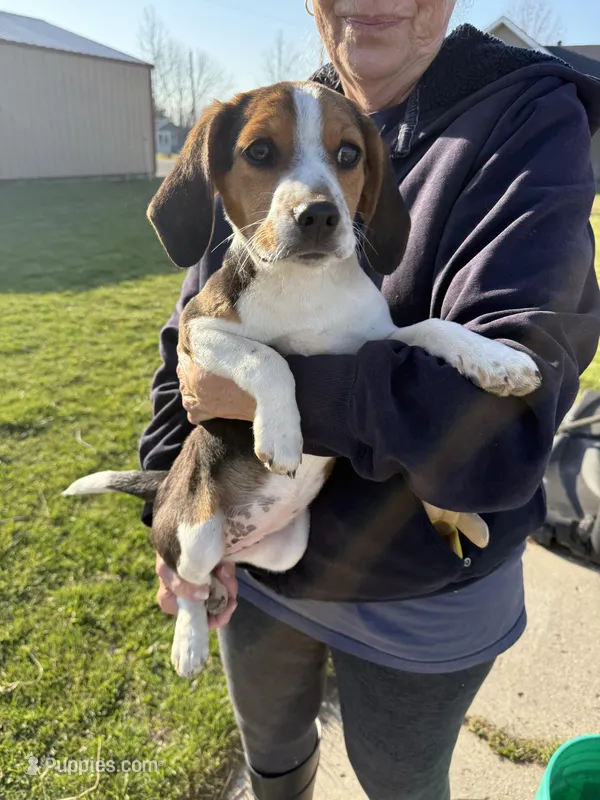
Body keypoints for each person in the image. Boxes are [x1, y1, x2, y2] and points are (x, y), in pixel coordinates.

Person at [139, 2, 600, 798]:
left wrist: (282, 394)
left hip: (421, 597)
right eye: (266, 157)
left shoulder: (532, 120)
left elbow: (501, 438)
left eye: (344, 159)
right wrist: (169, 516)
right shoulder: (268, 116)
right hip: (263, 577)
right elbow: (188, 345)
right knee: (272, 759)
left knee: (400, 784)